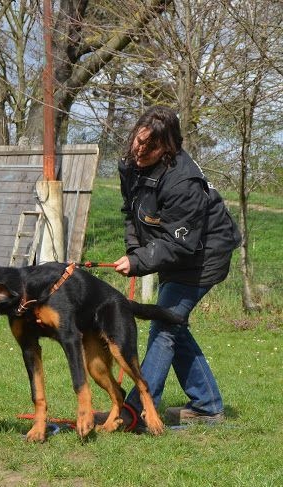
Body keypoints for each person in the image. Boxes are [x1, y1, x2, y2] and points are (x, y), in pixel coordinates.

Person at [113, 105, 241, 429]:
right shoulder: (131, 163)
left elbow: (179, 243)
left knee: (164, 324)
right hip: (177, 254)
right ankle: (208, 405)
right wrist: (134, 251)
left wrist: (139, 261)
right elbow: (132, 213)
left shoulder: (183, 181)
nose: (139, 151)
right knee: (174, 323)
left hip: (204, 256)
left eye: (149, 147)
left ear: (167, 148)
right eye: (137, 141)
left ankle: (137, 412)